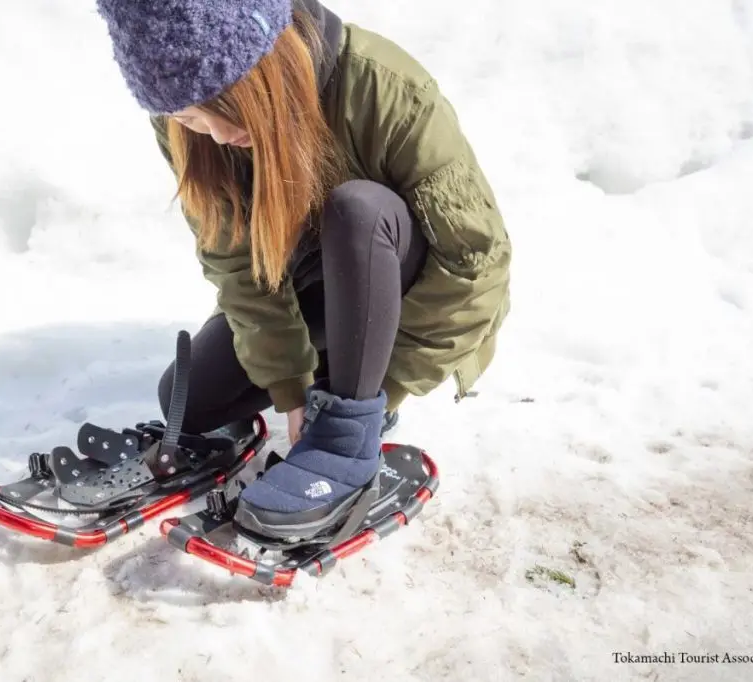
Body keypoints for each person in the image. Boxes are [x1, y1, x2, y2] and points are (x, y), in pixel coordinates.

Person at [95, 0, 511, 539]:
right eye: (186, 117)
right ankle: (334, 380)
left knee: (357, 210)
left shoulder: (382, 88)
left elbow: (476, 264)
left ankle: (349, 419)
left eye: (219, 107)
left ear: (259, 70)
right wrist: (291, 388)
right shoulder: (188, 121)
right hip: (316, 284)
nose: (213, 134)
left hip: (408, 285)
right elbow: (237, 264)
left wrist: (368, 402)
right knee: (190, 396)